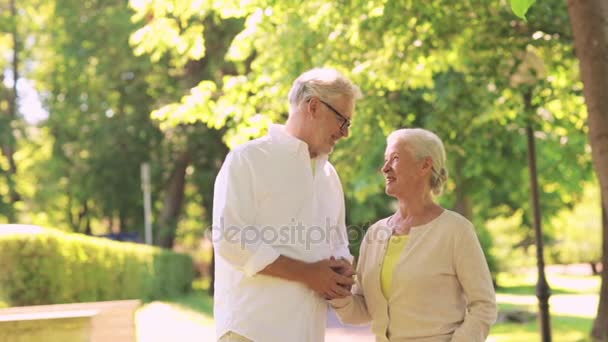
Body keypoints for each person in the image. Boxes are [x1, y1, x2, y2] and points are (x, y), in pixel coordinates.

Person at [212, 68, 362, 342]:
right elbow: (230, 240)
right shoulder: (248, 160)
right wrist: (308, 274)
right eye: (342, 121)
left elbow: (338, 243)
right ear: (314, 106)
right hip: (251, 332)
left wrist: (341, 267)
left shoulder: (329, 177)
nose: (345, 134)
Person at [330, 128, 497, 342]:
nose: (385, 168)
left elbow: (484, 305)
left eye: (395, 158)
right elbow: (363, 310)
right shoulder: (375, 234)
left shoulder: (456, 230)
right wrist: (339, 292)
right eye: (385, 160)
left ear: (425, 165)